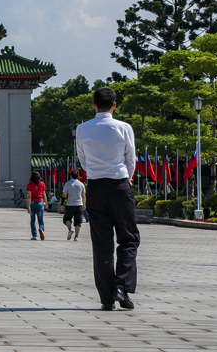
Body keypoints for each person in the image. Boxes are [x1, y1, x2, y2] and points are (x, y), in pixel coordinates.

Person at [76, 87, 139, 311]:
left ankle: (106, 298)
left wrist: (94, 172)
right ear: (114, 105)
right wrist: (127, 179)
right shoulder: (124, 127)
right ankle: (121, 286)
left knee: (102, 244)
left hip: (95, 186)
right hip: (119, 185)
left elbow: (82, 158)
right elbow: (130, 158)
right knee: (129, 239)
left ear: (94, 105)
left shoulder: (82, 129)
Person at [62, 170, 87, 241]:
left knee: (66, 219)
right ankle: (76, 236)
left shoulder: (67, 184)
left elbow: (64, 195)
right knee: (78, 222)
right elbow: (83, 195)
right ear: (78, 176)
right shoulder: (81, 184)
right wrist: (84, 204)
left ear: (71, 176)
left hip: (70, 204)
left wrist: (62, 204)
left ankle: (70, 229)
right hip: (79, 204)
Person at [26, 172, 46, 240]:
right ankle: (41, 228)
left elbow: (29, 196)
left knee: (32, 220)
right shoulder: (42, 184)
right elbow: (44, 194)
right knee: (40, 219)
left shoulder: (29, 185)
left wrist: (28, 206)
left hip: (33, 202)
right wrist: (46, 202)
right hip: (40, 201)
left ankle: (35, 235)